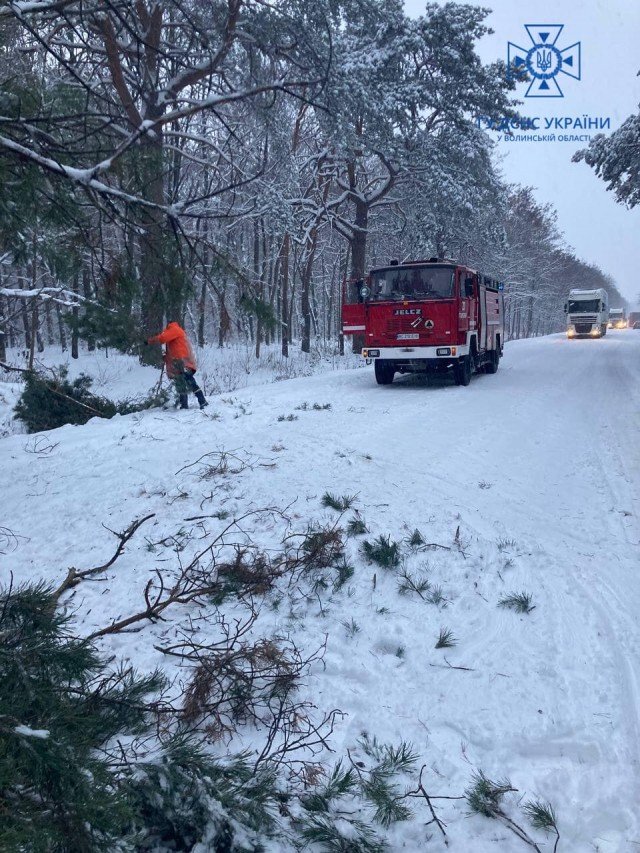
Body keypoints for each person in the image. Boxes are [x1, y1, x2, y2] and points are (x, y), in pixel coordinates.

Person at [145, 321, 208, 410]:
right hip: (180, 363)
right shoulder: (176, 331)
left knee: (190, 382)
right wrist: (166, 358)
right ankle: (185, 405)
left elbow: (162, 338)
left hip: (183, 363)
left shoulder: (174, 329)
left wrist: (149, 341)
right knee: (181, 383)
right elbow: (174, 349)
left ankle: (202, 401)